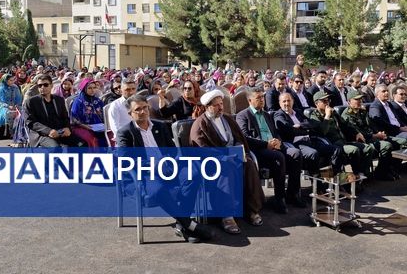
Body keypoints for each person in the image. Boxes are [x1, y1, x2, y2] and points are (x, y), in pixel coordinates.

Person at [116, 94, 213, 243]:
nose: (143, 112)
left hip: (167, 167)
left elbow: (173, 150)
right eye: (138, 110)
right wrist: (151, 166)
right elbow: (126, 160)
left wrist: (169, 162)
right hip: (145, 173)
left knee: (193, 175)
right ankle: (188, 224)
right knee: (158, 190)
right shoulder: (125, 132)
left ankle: (182, 224)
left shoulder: (159, 126)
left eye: (145, 107)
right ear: (130, 114)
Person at [190, 89, 265, 234]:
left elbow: (238, 138)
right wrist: (224, 156)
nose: (221, 107)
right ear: (207, 107)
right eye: (216, 105)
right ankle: (227, 215)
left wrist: (238, 151)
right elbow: (201, 150)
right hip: (214, 163)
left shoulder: (228, 119)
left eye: (221, 103)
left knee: (249, 163)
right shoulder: (200, 124)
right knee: (226, 168)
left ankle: (251, 210)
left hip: (233, 157)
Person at [236, 87, 304, 213]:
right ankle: (279, 198)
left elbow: (275, 132)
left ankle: (293, 194)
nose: (262, 100)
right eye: (258, 98)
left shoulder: (267, 114)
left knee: (296, 153)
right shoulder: (243, 115)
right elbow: (245, 137)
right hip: (258, 150)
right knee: (278, 157)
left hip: (274, 146)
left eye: (262, 97)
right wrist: (266, 144)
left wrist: (278, 141)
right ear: (250, 100)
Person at [273, 92, 342, 175]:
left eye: (289, 100)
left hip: (309, 140)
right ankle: (317, 182)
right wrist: (305, 129)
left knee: (335, 150)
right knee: (313, 153)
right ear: (280, 103)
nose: (287, 103)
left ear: (293, 101)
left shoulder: (298, 112)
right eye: (284, 101)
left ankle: (329, 176)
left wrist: (300, 125)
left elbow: (311, 123)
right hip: (295, 143)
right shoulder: (279, 114)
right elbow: (288, 129)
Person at [340, 90, 399, 180]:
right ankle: (367, 174)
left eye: (360, 99)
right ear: (349, 102)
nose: (360, 101)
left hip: (371, 137)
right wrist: (375, 136)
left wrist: (379, 133)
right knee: (386, 145)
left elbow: (370, 125)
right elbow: (356, 132)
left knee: (396, 142)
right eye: (356, 100)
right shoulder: (347, 115)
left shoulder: (362, 112)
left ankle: (385, 170)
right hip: (360, 140)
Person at [24, 75, 85, 147]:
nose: (42, 87)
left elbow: (65, 117)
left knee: (82, 144)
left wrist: (67, 128)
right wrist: (48, 131)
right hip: (43, 134)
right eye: (40, 85)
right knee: (55, 148)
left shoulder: (59, 100)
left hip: (60, 131)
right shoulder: (31, 102)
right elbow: (30, 122)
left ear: (51, 85)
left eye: (45, 85)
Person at [70, 78, 106, 147]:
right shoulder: (78, 101)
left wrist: (104, 125)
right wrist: (85, 126)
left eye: (94, 87)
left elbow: (103, 114)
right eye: (89, 88)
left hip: (98, 127)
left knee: (108, 135)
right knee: (90, 138)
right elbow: (73, 119)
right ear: (84, 89)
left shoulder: (98, 100)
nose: (92, 90)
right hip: (81, 126)